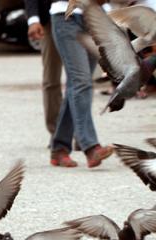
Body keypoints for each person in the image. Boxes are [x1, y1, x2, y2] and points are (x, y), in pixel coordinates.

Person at [49, 0, 113, 168]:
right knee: (81, 81)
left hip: (96, 18)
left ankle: (59, 148)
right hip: (66, 16)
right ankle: (90, 146)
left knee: (76, 85)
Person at [24, 0, 62, 145]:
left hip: (82, 16)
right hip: (50, 19)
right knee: (51, 79)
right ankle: (56, 132)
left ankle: (82, 133)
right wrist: (33, 19)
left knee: (81, 81)